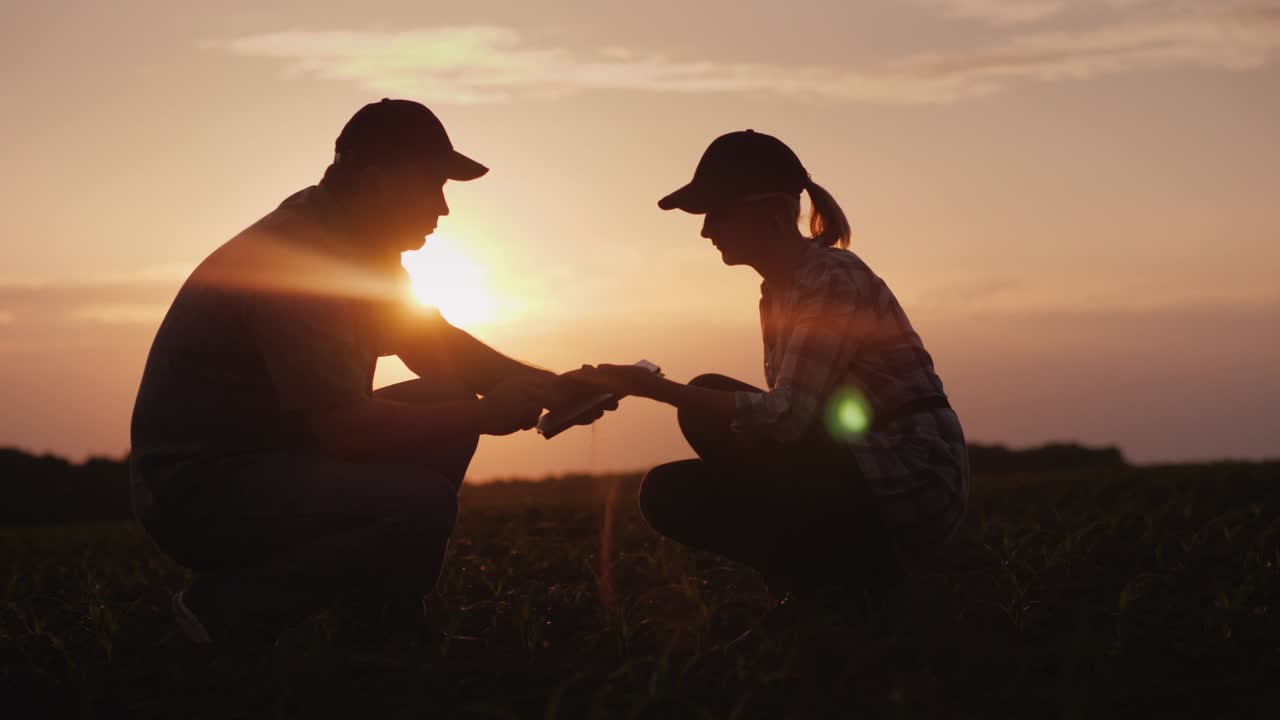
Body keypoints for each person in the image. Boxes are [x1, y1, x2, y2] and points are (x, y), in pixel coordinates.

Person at [130, 99, 607, 645]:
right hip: (201, 495)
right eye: (433, 186)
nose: (443, 208)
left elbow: (437, 348)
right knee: (419, 499)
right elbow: (345, 429)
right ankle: (228, 606)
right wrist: (482, 413)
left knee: (441, 399)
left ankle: (382, 621)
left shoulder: (360, 247)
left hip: (271, 462)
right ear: (379, 183)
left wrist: (553, 388)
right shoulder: (300, 261)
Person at [575, 130, 969, 604]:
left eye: (717, 213)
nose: (705, 231)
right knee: (668, 491)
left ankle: (851, 577)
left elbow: (790, 415)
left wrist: (659, 390)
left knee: (704, 400)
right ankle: (822, 583)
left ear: (774, 213)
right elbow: (789, 425)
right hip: (859, 464)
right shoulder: (781, 292)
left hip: (907, 475)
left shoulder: (831, 277)